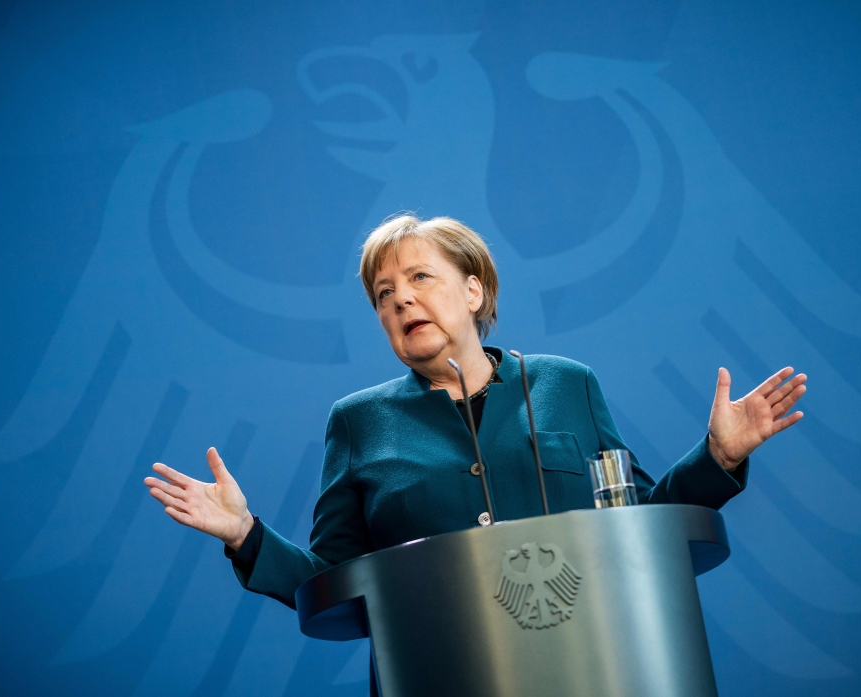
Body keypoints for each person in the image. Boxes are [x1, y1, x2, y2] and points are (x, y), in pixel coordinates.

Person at [144, 213, 806, 614]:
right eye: (383, 294)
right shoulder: (358, 422)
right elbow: (333, 580)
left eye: (419, 279)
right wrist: (245, 533)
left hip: (594, 659)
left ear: (474, 288)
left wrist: (719, 456)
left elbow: (635, 524)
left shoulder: (566, 384)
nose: (400, 300)